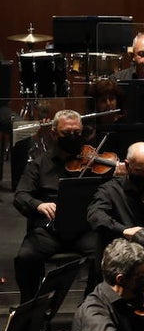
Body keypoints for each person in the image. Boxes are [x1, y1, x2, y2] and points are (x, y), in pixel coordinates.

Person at [13, 109, 102, 301]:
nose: (72, 137)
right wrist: (38, 205)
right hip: (49, 231)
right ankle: (30, 306)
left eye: (76, 133)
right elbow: (20, 195)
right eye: (66, 134)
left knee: (106, 257)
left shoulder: (92, 162)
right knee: (25, 258)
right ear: (53, 134)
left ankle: (91, 305)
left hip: (83, 229)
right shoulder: (39, 164)